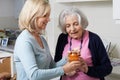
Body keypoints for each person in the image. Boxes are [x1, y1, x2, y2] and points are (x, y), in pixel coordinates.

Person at [13, 0, 82, 80]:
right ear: (33, 15)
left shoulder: (42, 39)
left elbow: (52, 66)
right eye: (45, 16)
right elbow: (34, 75)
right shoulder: (24, 41)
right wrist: (64, 69)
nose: (48, 19)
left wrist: (68, 57)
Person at [54, 7, 113, 80]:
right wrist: (65, 71)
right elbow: (56, 65)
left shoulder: (94, 39)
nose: (72, 29)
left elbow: (107, 68)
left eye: (76, 24)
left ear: (82, 23)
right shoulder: (62, 38)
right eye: (68, 26)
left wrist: (87, 69)